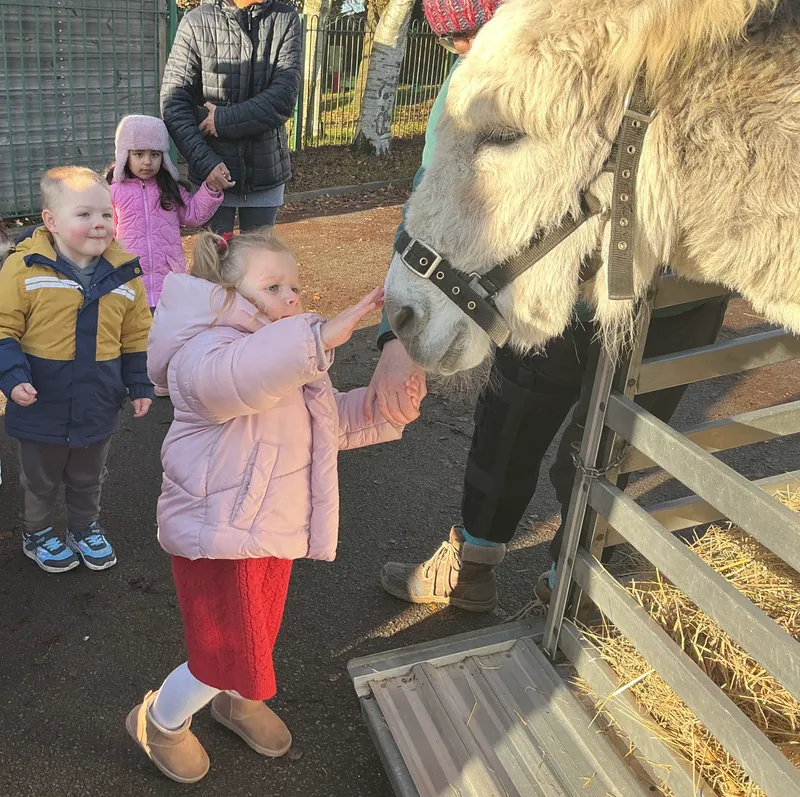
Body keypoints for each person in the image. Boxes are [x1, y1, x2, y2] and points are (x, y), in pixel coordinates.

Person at [371, 0, 728, 612]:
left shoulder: (631, 51)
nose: (464, 50)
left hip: (665, 300)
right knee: (507, 428)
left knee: (616, 443)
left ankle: (578, 577)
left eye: (473, 31)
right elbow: (435, 202)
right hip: (540, 295)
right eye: (450, 39)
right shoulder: (475, 85)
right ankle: (472, 564)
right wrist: (393, 335)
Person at [127, 229, 415, 783]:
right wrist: (316, 337)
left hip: (269, 533)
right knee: (218, 649)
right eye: (274, 285)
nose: (292, 297)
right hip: (216, 539)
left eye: (296, 287)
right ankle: (158, 720)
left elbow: (328, 424)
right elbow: (232, 380)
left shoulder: (289, 357)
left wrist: (386, 409)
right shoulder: (201, 354)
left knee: (256, 632)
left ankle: (237, 700)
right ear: (227, 294)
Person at [0, 167, 153, 573]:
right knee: (40, 477)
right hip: (40, 399)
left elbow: (136, 335)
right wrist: (13, 378)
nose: (99, 224)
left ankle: (84, 528)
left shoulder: (125, 274)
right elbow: (3, 328)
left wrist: (139, 382)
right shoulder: (25, 269)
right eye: (84, 215)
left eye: (106, 214)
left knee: (89, 474)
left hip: (97, 400)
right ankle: (38, 532)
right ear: (51, 221)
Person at [160, 0, 302, 235]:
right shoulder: (196, 22)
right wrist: (206, 163)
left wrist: (223, 120)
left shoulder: (285, 18)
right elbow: (174, 103)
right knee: (214, 267)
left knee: (258, 268)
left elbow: (284, 97)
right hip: (211, 177)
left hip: (265, 173)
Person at [107, 115, 224, 310]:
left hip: (169, 282)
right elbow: (106, 234)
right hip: (130, 282)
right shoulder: (113, 192)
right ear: (125, 155)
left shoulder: (170, 189)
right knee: (137, 335)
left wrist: (210, 189)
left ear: (164, 156)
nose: (147, 162)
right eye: (138, 154)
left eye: (155, 154)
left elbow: (193, 214)